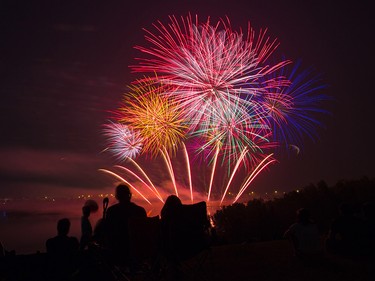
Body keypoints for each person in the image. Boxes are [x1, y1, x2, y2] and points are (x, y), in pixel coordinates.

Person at [105, 184, 147, 266]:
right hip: (138, 249)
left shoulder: (112, 211)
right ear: (130, 195)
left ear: (117, 196)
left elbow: (108, 231)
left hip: (118, 249)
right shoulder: (140, 211)